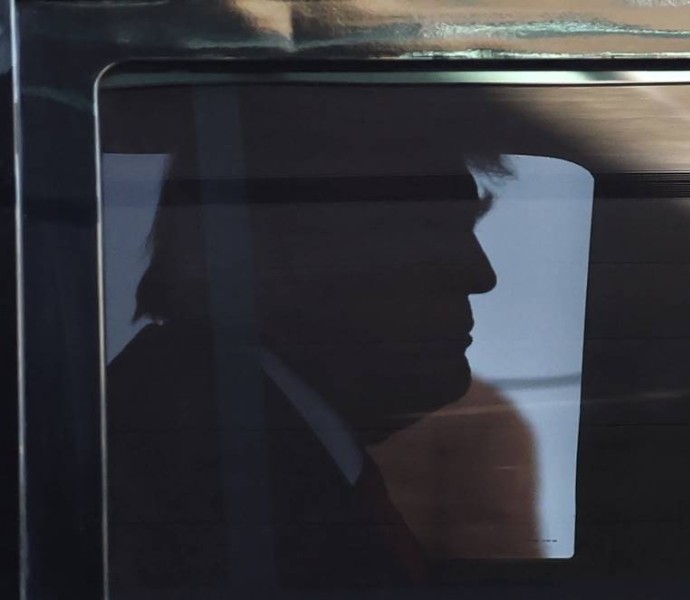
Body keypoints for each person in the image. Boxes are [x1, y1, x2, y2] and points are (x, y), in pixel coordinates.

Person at [106, 100, 504, 592]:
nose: (481, 274)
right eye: (434, 227)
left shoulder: (237, 441)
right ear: (288, 249)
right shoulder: (194, 480)